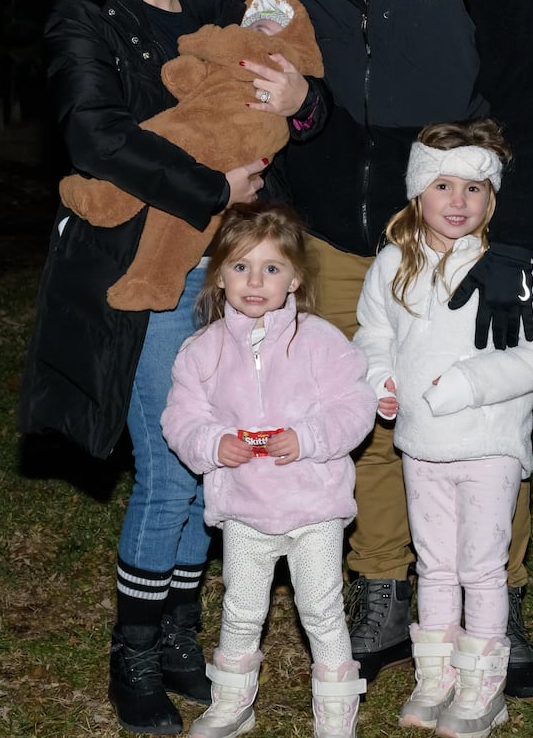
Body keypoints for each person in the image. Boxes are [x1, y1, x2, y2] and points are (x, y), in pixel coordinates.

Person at [226, 0, 533, 700]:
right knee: (363, 414)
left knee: (482, 416)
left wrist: (512, 249)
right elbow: (228, 59)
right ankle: (384, 593)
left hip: (454, 233)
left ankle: (502, 601)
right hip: (334, 230)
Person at [16, 0, 321, 735]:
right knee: (170, 467)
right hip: (141, 278)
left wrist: (304, 108)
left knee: (209, 462)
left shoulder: (219, 8)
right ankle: (136, 653)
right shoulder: (85, 16)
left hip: (234, 278)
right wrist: (208, 185)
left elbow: (299, 86)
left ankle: (183, 637)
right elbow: (94, 138)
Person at [353, 120, 533, 736]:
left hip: (487, 444)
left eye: (474, 189)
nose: (458, 201)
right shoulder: (392, 263)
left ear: (492, 199)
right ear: (418, 193)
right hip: (421, 446)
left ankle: (483, 684)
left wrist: (471, 384)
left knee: (481, 566)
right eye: (443, 185)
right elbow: (376, 334)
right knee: (436, 564)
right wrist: (379, 379)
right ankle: (438, 674)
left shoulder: (512, 268)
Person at [161, 203, 376, 738]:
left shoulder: (322, 341)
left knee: (321, 608)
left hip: (314, 506)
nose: (255, 282)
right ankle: (233, 702)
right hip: (245, 509)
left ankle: (335, 708)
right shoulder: (202, 351)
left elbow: (355, 405)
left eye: (271, 268)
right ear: (218, 275)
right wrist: (213, 443)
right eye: (240, 267)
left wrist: (308, 439)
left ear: (295, 277)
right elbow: (182, 417)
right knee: (240, 607)